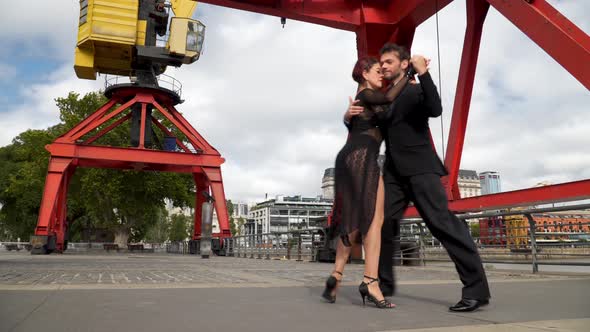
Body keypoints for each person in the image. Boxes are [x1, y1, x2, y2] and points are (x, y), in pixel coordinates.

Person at [344, 43, 491, 312]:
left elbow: (435, 109)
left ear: (403, 64)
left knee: (442, 224)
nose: (384, 66)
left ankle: (476, 290)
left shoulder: (413, 89)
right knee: (384, 224)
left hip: (421, 168)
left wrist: (424, 74)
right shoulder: (385, 95)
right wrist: (347, 116)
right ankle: (381, 285)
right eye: (381, 63)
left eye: (388, 62)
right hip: (393, 172)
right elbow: (368, 125)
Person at [322, 57, 410, 309]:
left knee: (353, 218)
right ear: (364, 73)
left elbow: (378, 115)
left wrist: (345, 117)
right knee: (374, 221)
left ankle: (336, 276)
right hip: (363, 157)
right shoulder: (369, 93)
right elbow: (388, 99)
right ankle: (371, 282)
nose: (382, 75)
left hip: (348, 157)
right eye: (377, 71)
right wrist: (407, 72)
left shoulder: (362, 101)